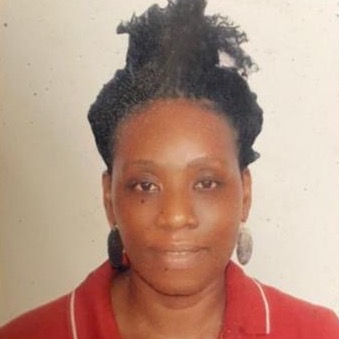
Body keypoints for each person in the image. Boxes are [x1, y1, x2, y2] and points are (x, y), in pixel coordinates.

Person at [1, 0, 338, 338]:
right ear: (109, 197)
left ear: (245, 193)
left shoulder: (318, 332)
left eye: (206, 182)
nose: (176, 217)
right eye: (145, 185)